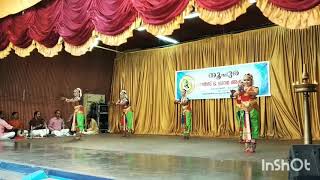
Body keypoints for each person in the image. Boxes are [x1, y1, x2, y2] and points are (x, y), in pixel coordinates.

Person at [231, 73, 259, 153]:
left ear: (251, 80)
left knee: (254, 126)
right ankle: (247, 145)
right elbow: (234, 94)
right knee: (245, 126)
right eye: (245, 80)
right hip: (244, 110)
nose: (246, 81)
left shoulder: (254, 88)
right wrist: (239, 91)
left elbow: (255, 93)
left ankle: (253, 145)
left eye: (248, 80)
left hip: (253, 109)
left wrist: (246, 90)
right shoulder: (241, 89)